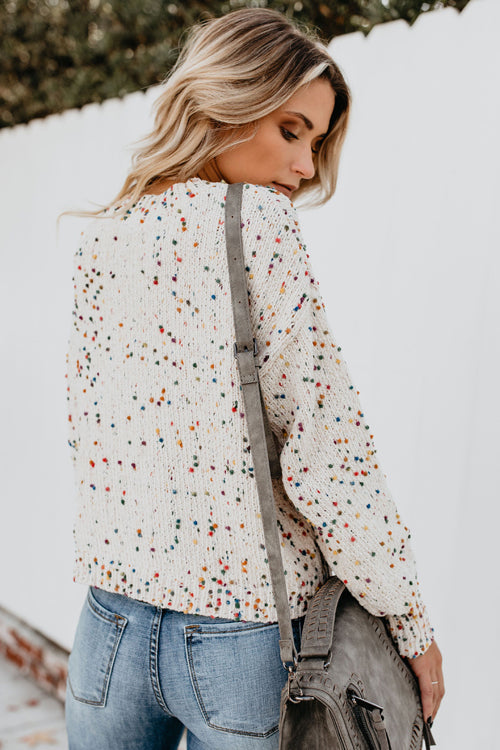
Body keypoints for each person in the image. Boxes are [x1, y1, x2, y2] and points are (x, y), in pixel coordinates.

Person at [63, 8, 444, 749]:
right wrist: (411, 624)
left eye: (316, 142)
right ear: (226, 103)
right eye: (291, 131)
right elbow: (329, 455)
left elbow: (94, 439)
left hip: (108, 626)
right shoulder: (256, 224)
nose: (305, 167)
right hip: (239, 637)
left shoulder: (103, 233)